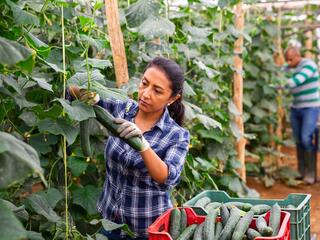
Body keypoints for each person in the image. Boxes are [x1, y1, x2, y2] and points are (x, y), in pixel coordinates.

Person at [68, 56, 190, 239]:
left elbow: (167, 177)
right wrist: (86, 93)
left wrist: (143, 144)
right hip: (109, 221)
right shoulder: (122, 109)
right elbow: (74, 93)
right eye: (144, 84)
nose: (146, 94)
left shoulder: (177, 135)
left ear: (173, 98)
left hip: (147, 229)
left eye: (157, 91)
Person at [283, 46, 320, 184]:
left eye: (290, 59)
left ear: (298, 56)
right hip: (296, 108)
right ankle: (301, 172)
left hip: (310, 108)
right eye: (287, 60)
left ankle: (311, 174)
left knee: (306, 138)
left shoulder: (309, 65)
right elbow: (278, 73)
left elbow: (298, 79)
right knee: (298, 139)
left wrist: (281, 83)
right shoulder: (290, 67)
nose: (288, 62)